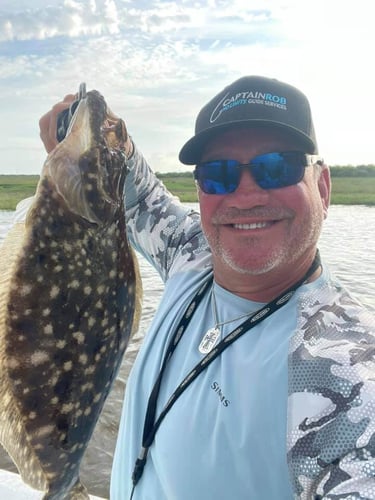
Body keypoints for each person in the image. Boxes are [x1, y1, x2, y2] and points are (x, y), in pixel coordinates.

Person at [39, 76, 375, 500]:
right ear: (201, 191)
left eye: (278, 167)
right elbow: (138, 197)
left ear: (322, 187)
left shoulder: (347, 376)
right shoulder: (193, 255)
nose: (247, 194)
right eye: (219, 175)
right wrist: (95, 134)